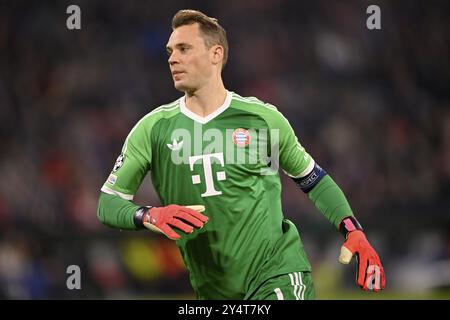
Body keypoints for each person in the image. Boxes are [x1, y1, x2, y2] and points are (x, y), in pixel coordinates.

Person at [97, 9, 385, 300]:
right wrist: (149, 214)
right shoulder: (153, 129)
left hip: (276, 274)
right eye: (170, 51)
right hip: (213, 291)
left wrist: (352, 230)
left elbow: (312, 179)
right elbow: (108, 203)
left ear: (216, 54)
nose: (172, 58)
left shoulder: (261, 119)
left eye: (184, 49)